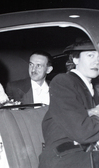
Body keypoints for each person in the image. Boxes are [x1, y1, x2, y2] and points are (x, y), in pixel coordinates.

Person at [39, 39, 99, 168]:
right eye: (91, 55)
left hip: (86, 154)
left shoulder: (93, 89)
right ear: (76, 59)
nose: (97, 61)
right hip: (64, 157)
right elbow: (84, 132)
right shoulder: (63, 81)